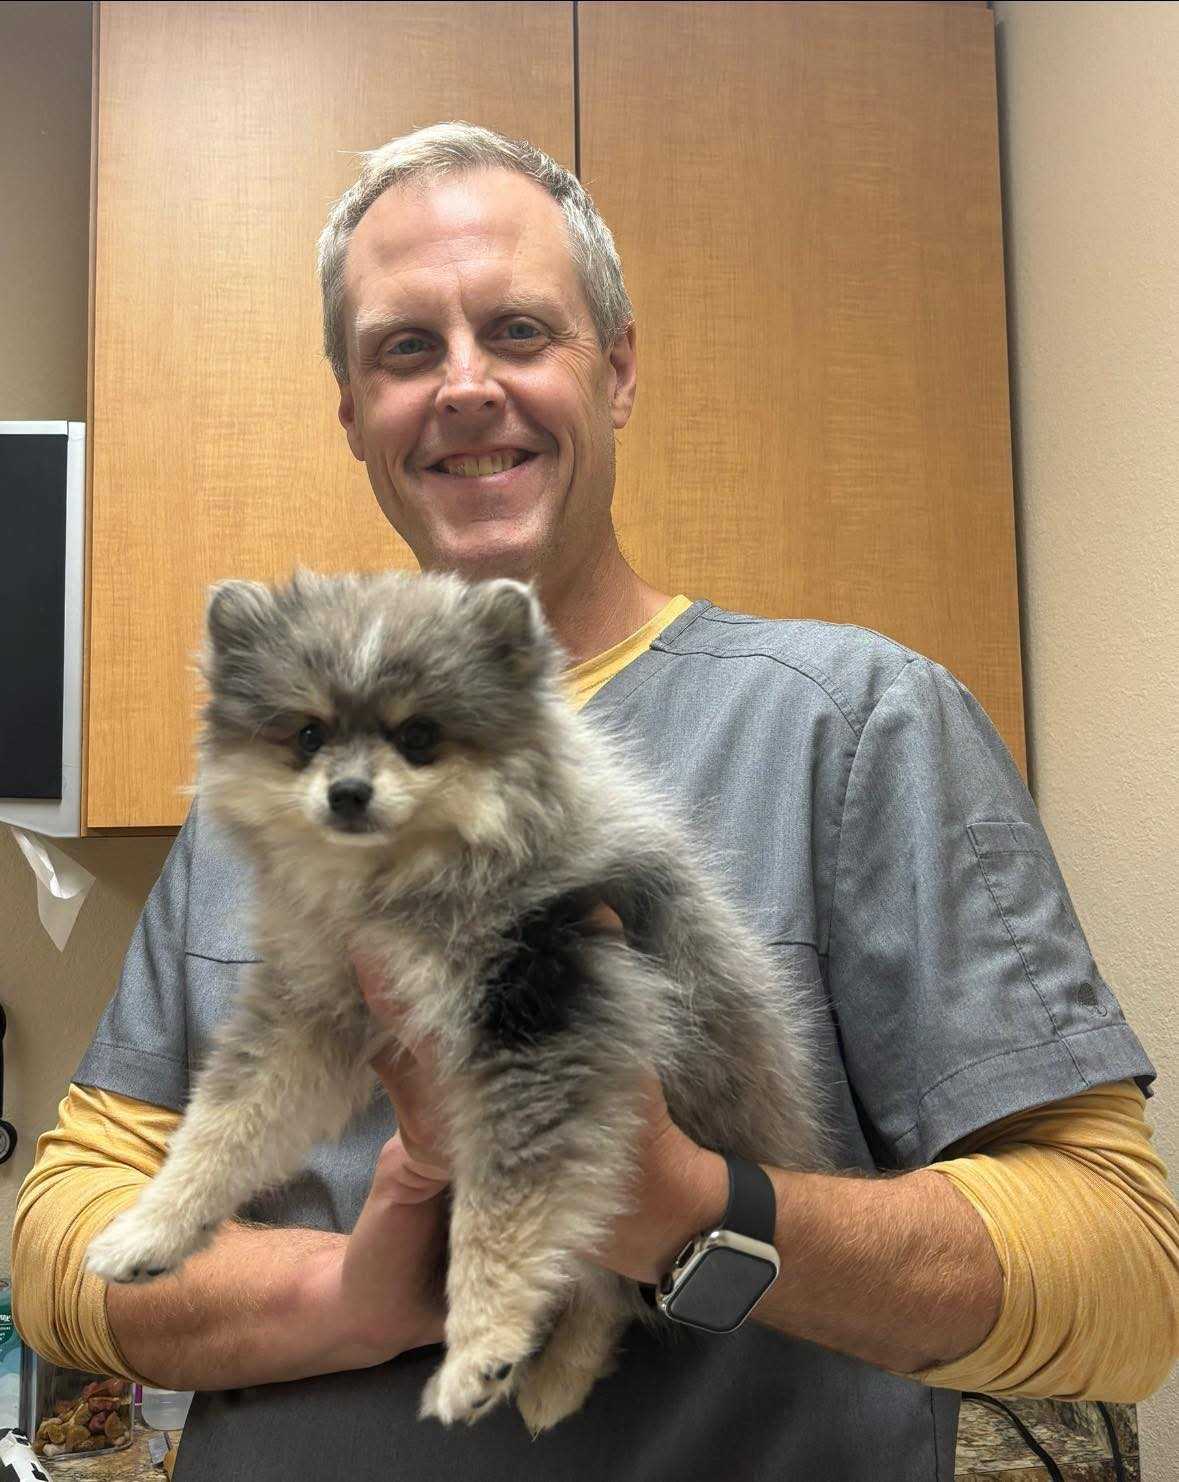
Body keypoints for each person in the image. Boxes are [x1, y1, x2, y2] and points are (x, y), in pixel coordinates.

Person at [13, 123, 1178, 1480]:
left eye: (517, 330)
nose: (462, 387)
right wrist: (350, 1293)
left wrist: (690, 1209)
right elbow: (62, 1233)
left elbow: (1123, 1275)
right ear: (351, 413)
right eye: (403, 349)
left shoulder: (851, 726)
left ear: (616, 370)